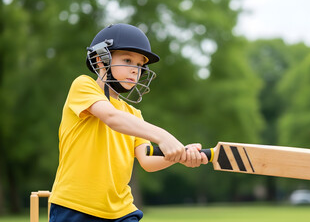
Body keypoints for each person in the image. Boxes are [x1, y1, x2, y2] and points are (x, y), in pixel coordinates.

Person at [49, 23, 208, 221]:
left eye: (140, 65)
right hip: (75, 207)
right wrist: (164, 136)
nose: (136, 70)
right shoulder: (83, 86)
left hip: (122, 211)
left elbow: (147, 161)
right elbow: (112, 117)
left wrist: (177, 154)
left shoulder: (134, 114)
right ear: (100, 60)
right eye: (127, 60)